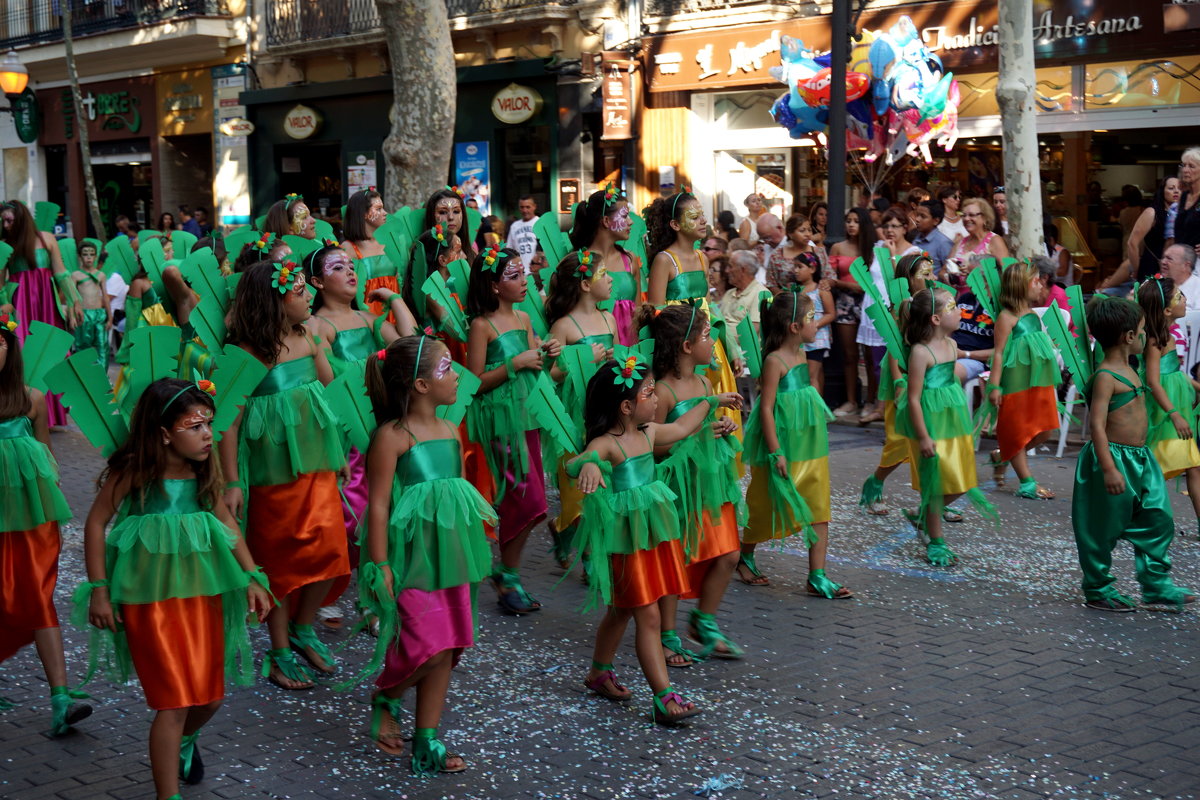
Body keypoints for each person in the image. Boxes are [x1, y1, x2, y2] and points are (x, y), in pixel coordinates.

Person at [80, 378, 272, 800]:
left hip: (202, 596)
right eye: (195, 426)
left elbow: (226, 523)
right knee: (172, 704)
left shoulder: (201, 472)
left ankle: (185, 740)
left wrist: (253, 576)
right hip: (149, 601)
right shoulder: (135, 472)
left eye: (209, 424)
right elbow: (96, 523)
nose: (208, 435)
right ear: (164, 433)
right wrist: (99, 588)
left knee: (211, 698)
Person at [355, 335, 494, 773]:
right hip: (412, 556)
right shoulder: (392, 437)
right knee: (426, 646)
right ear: (419, 385)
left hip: (451, 553)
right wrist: (379, 564)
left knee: (450, 646)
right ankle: (387, 695)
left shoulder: (450, 429)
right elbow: (377, 505)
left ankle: (427, 736)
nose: (456, 377)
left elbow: (454, 493)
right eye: (447, 369)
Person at [218, 261, 350, 690]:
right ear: (274, 301)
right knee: (278, 562)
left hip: (318, 465)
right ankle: (277, 650)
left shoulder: (310, 336)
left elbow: (329, 393)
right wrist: (233, 482)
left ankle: (303, 626)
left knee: (331, 552)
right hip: (272, 475)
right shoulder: (245, 353)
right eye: (297, 289)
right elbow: (229, 423)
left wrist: (341, 451)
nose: (308, 293)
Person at [569, 355, 714, 724]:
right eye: (649, 392)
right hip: (625, 543)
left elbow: (682, 427)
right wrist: (587, 465)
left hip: (651, 536)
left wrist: (711, 403)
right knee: (647, 614)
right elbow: (580, 460)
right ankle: (663, 696)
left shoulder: (648, 432)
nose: (655, 398)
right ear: (626, 406)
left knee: (620, 609)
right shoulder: (608, 443)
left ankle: (599, 672)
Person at [303, 243, 406, 628]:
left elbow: (408, 346)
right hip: (345, 432)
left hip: (379, 429)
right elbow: (332, 385)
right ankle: (329, 591)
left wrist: (394, 299)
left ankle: (370, 598)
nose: (350, 271)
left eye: (351, 265)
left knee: (380, 513)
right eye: (337, 267)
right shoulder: (317, 327)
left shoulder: (367, 319)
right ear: (316, 281)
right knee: (349, 515)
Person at [0, 311, 92, 736]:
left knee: (38, 597)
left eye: (0, 341)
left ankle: (60, 697)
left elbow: (46, 460)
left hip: (33, 520)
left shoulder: (31, 398)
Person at [1072, 296, 1195, 611]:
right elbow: (1097, 426)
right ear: (1129, 337)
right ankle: (1098, 589)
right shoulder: (1106, 377)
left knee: (1158, 519)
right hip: (1112, 461)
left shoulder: (1130, 368)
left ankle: (1156, 586)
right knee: (1101, 528)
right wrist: (1110, 468)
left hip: (1141, 459)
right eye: (1142, 331)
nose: (1145, 336)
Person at [640, 304, 745, 663]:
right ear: (686, 346)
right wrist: (699, 436)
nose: (712, 341)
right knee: (678, 558)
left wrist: (721, 429)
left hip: (711, 481)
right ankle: (668, 634)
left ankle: (704, 619)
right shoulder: (664, 391)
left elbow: (705, 425)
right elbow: (652, 444)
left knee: (730, 553)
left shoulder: (703, 382)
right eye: (705, 336)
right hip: (678, 486)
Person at [466, 246, 560, 615]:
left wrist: (547, 354)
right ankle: (507, 574)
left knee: (531, 503)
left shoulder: (523, 319)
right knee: (528, 501)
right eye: (514, 276)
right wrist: (514, 363)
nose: (525, 281)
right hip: (501, 422)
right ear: (492, 285)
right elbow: (474, 382)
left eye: (525, 274)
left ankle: (508, 573)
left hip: (528, 417)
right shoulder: (481, 326)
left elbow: (540, 368)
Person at [739, 291, 850, 596]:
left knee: (818, 504)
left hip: (810, 442)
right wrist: (776, 452)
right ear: (794, 327)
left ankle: (817, 575)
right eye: (812, 318)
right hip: (783, 445)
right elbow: (765, 408)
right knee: (765, 502)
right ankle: (744, 553)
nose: (817, 324)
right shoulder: (775, 360)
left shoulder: (802, 354)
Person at [899, 287, 997, 566]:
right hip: (932, 421)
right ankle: (936, 541)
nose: (960, 312)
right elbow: (914, 398)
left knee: (962, 478)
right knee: (937, 482)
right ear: (935, 319)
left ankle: (924, 515)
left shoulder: (953, 346)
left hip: (953, 418)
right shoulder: (921, 352)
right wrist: (923, 436)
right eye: (953, 308)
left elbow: (952, 381)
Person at [544, 250, 617, 569]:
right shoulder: (563, 325)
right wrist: (581, 361)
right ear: (586, 284)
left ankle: (573, 536)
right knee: (576, 491)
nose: (612, 279)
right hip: (574, 414)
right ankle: (577, 537)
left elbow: (615, 361)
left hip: (606, 408)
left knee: (602, 480)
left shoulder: (609, 318)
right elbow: (548, 376)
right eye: (605, 275)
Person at [644, 190, 742, 427]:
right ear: (676, 224)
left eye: (702, 215)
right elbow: (656, 313)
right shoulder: (665, 260)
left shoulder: (702, 257)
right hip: (681, 347)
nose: (703, 221)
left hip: (708, 341)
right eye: (694, 216)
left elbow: (709, 305)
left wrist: (732, 348)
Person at [0, 200, 81, 427]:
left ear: (22, 218)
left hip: (46, 305)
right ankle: (26, 411)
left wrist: (75, 301)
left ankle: (50, 415)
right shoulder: (5, 245)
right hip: (20, 306)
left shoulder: (47, 238)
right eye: (3, 221)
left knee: (52, 354)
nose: (6, 225)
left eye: (10, 220)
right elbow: (0, 285)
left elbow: (61, 274)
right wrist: (5, 305)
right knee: (24, 354)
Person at [987, 261, 1060, 500]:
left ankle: (1002, 455)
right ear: (1021, 286)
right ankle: (1027, 482)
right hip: (1016, 382)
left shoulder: (1032, 315)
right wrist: (995, 385)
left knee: (1045, 431)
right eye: (1036, 280)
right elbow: (998, 353)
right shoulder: (1006, 318)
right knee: (1018, 432)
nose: (1041, 285)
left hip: (1038, 381)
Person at [1137, 277, 1200, 533]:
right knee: (1163, 467)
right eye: (1179, 297)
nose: (1184, 300)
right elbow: (1153, 381)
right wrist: (1174, 414)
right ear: (1165, 310)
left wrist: (1196, 387)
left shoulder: (1167, 336)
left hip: (1175, 405)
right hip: (1164, 413)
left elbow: (1172, 372)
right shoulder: (1155, 341)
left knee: (1190, 466)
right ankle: (1135, 515)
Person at [857, 207, 918, 424]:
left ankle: (897, 407)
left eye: (895, 226)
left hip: (897, 309)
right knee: (875, 362)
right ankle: (879, 405)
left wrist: (892, 256)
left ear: (905, 228)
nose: (890, 231)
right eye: (886, 226)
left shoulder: (913, 252)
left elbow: (902, 280)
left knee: (895, 358)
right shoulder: (877, 248)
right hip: (874, 305)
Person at [568, 186, 643, 346]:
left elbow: (638, 310)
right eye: (625, 216)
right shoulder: (580, 262)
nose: (630, 222)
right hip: (597, 346)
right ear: (606, 221)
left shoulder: (630, 260)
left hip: (630, 351)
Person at [827, 208, 873, 416]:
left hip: (869, 302)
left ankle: (871, 400)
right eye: (848, 221)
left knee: (871, 354)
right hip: (845, 302)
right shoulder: (837, 247)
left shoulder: (872, 248)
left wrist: (841, 283)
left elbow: (870, 285)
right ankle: (851, 400)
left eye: (856, 221)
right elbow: (829, 278)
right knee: (849, 354)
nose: (851, 225)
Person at [1099, 178, 1184, 289]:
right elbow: (1132, 243)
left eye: (1180, 188)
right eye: (1171, 188)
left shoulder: (1184, 214)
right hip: (1153, 265)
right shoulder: (1152, 212)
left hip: (1177, 268)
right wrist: (1136, 269)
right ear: (1162, 191)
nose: (1176, 191)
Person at [342, 189, 401, 320]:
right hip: (368, 317)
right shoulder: (348, 248)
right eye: (378, 209)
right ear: (363, 213)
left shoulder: (391, 242)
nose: (385, 213)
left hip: (396, 312)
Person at [792, 252, 835, 395]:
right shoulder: (796, 291)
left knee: (811, 376)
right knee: (804, 374)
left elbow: (831, 313)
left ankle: (815, 410)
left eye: (800, 267)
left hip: (816, 339)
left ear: (812, 268)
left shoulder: (820, 291)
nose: (796, 270)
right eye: (795, 267)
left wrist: (814, 325)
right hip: (800, 338)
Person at [718, 251, 768, 363]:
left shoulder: (761, 294)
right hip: (722, 355)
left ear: (743, 270)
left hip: (745, 361)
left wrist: (720, 339)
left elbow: (752, 332)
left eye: (730, 266)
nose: (726, 271)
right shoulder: (729, 293)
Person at [71, 240, 112, 368]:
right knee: (83, 346)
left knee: (102, 346)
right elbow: (72, 297)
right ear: (80, 256)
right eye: (85, 254)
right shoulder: (75, 275)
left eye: (91, 254)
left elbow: (105, 296)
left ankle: (102, 379)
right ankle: (84, 377)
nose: (88, 257)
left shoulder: (100, 275)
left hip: (99, 314)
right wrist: (72, 316)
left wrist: (110, 318)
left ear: (95, 256)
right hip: (83, 314)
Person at [947, 199, 1010, 284]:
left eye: (972, 215)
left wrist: (973, 270)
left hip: (985, 295)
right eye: (964, 215)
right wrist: (949, 275)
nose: (966, 218)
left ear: (985, 218)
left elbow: (1005, 273)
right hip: (960, 296)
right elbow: (943, 271)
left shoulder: (994, 240)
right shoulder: (960, 243)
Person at [766, 215, 827, 293]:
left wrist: (826, 284)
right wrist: (786, 297)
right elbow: (771, 284)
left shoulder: (819, 252)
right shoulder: (777, 255)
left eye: (809, 230)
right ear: (790, 234)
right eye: (802, 230)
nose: (807, 234)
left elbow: (829, 277)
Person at [423, 187, 476, 262]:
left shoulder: (472, 254)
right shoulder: (421, 256)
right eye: (442, 212)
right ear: (431, 216)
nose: (451, 217)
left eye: (456, 211)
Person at [910, 200, 953, 273]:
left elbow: (949, 270)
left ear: (936, 221)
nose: (917, 219)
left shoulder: (943, 243)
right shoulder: (916, 238)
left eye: (923, 216)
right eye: (917, 215)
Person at [1162, 243, 1200, 311]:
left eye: (1169, 259)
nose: (1163, 262)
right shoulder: (1156, 283)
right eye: (1163, 257)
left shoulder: (1198, 287)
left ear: (1185, 265)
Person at [507, 195, 539, 273]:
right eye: (522, 207)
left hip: (537, 272)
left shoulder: (540, 223)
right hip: (520, 271)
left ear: (534, 206)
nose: (524, 210)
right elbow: (510, 249)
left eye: (528, 207)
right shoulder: (514, 226)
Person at [754, 213, 786, 285]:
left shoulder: (795, 243)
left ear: (779, 228)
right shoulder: (767, 246)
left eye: (768, 237)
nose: (766, 242)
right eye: (763, 239)